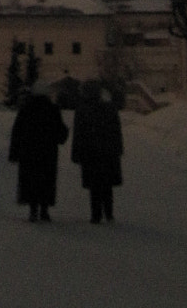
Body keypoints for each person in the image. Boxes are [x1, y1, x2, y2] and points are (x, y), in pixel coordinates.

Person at [8, 89, 68, 221]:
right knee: (46, 180)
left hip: (29, 152)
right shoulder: (53, 110)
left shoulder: (26, 110)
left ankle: (33, 209)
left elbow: (17, 132)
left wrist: (14, 152)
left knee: (31, 179)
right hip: (48, 153)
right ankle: (44, 210)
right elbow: (61, 132)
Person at [71, 81, 123, 223]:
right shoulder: (109, 108)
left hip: (90, 153)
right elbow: (116, 131)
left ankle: (96, 214)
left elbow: (78, 134)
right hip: (107, 153)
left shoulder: (83, 110)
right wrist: (118, 149)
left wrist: (76, 154)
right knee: (107, 185)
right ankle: (109, 213)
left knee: (95, 186)